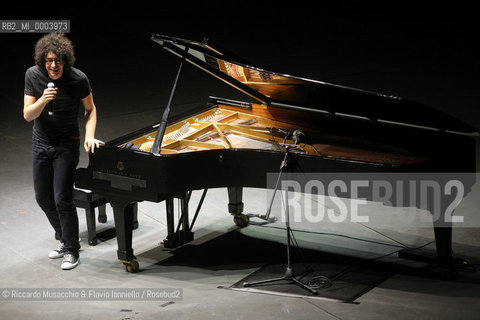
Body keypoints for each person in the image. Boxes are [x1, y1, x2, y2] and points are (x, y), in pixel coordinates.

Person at [23, 33, 104, 270]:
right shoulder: (32, 75)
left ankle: (72, 250)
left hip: (66, 145)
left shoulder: (78, 79)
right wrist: (43, 101)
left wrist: (89, 136)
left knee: (62, 199)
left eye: (58, 60)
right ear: (42, 61)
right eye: (49, 60)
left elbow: (90, 110)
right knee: (43, 198)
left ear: (65, 60)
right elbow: (28, 115)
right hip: (40, 143)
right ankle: (65, 238)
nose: (53, 65)